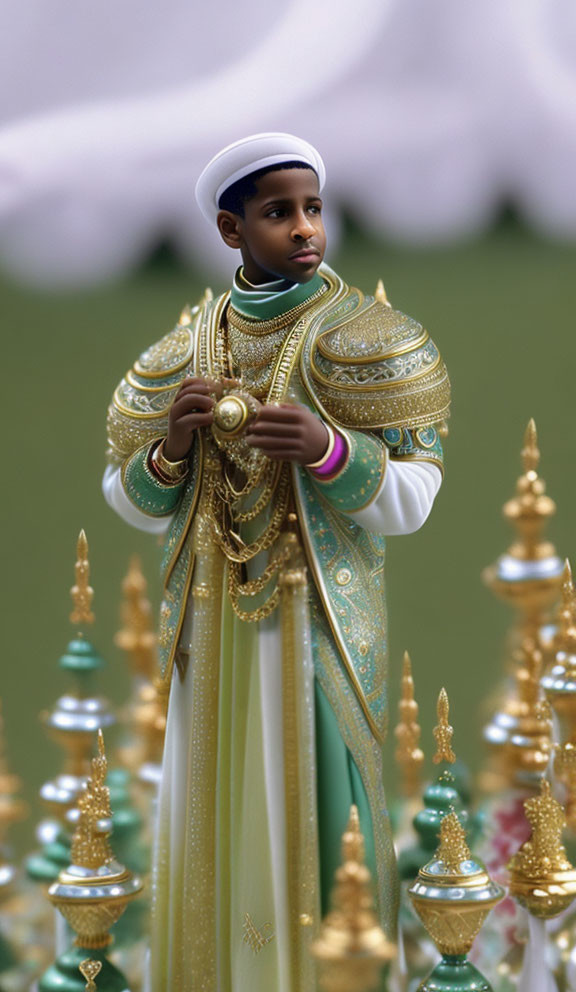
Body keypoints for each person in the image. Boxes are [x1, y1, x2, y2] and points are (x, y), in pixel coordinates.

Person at [103, 132, 450, 992]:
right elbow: (127, 495)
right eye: (278, 212)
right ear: (231, 230)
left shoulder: (369, 339)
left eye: (313, 209)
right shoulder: (181, 353)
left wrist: (331, 451)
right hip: (214, 628)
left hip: (316, 626)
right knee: (212, 816)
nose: (303, 229)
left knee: (320, 804)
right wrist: (172, 450)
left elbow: (416, 495)